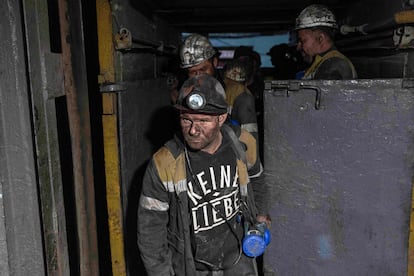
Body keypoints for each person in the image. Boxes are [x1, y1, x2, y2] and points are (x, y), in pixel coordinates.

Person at [137, 74, 270, 276]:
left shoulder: (242, 143)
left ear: (221, 118)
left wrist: (260, 214)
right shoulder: (164, 163)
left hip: (239, 260)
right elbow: (150, 232)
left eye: (203, 121)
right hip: (192, 268)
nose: (193, 130)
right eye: (186, 119)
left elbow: (257, 178)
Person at [294, 4, 357, 80]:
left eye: (303, 40)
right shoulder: (323, 62)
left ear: (320, 38)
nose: (298, 47)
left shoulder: (333, 65)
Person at [223, 59, 259, 147]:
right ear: (248, 80)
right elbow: (250, 132)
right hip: (235, 148)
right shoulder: (243, 93)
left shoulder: (216, 88)